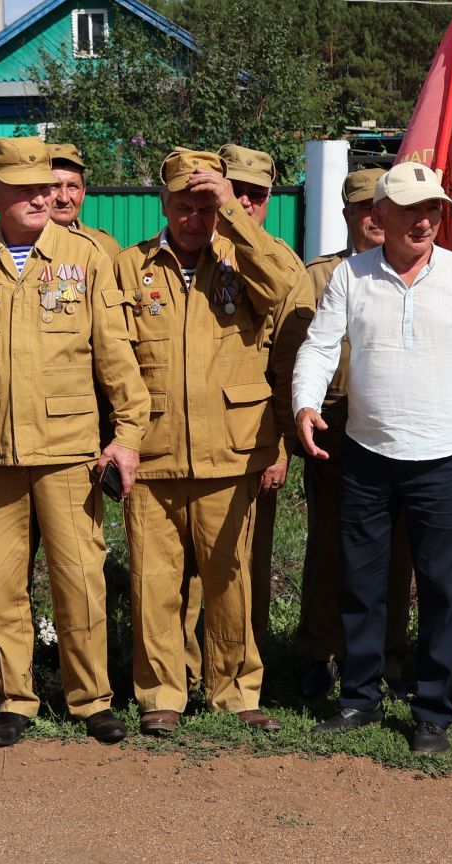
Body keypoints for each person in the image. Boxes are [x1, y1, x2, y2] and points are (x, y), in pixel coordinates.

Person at [291, 162, 452, 757]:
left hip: (444, 459)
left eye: (434, 210)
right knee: (362, 584)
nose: (424, 221)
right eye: (412, 210)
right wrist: (305, 403)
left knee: (442, 589)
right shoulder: (350, 276)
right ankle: (359, 698)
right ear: (380, 216)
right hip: (366, 453)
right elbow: (319, 346)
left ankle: (433, 711)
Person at [0, 136, 148, 749]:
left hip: (68, 450)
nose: (39, 198)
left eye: (44, 187)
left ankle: (91, 698)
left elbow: (116, 358)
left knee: (80, 578)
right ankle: (15, 699)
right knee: (2, 586)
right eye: (22, 189)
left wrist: (127, 437)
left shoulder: (86, 258)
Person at [115, 149, 295, 736]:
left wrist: (233, 219)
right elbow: (113, 358)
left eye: (205, 206)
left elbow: (292, 293)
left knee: (230, 580)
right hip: (154, 447)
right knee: (154, 582)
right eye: (183, 206)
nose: (194, 217)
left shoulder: (242, 260)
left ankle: (236, 690)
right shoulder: (129, 267)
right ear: (162, 205)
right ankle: (162, 693)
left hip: (230, 449)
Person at [269, 167, 410, 701]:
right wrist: (294, 428)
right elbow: (290, 358)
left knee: (396, 553)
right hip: (335, 432)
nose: (377, 219)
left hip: (398, 431)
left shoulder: (416, 272)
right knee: (331, 550)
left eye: (385, 208)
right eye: (365, 209)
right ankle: (320, 653)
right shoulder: (319, 277)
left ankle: (389, 658)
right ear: (349, 215)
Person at [217, 142, 303, 661]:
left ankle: (244, 665)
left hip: (251, 438)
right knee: (178, 569)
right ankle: (181, 671)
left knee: (246, 562)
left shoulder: (275, 259)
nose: (245, 202)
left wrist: (278, 445)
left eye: (257, 194)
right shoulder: (185, 251)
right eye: (236, 191)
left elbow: (285, 365)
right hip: (180, 438)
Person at [48, 143, 123, 260]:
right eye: (53, 186)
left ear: (83, 194)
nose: (64, 198)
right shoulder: (19, 246)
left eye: (72, 187)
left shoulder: (104, 246)